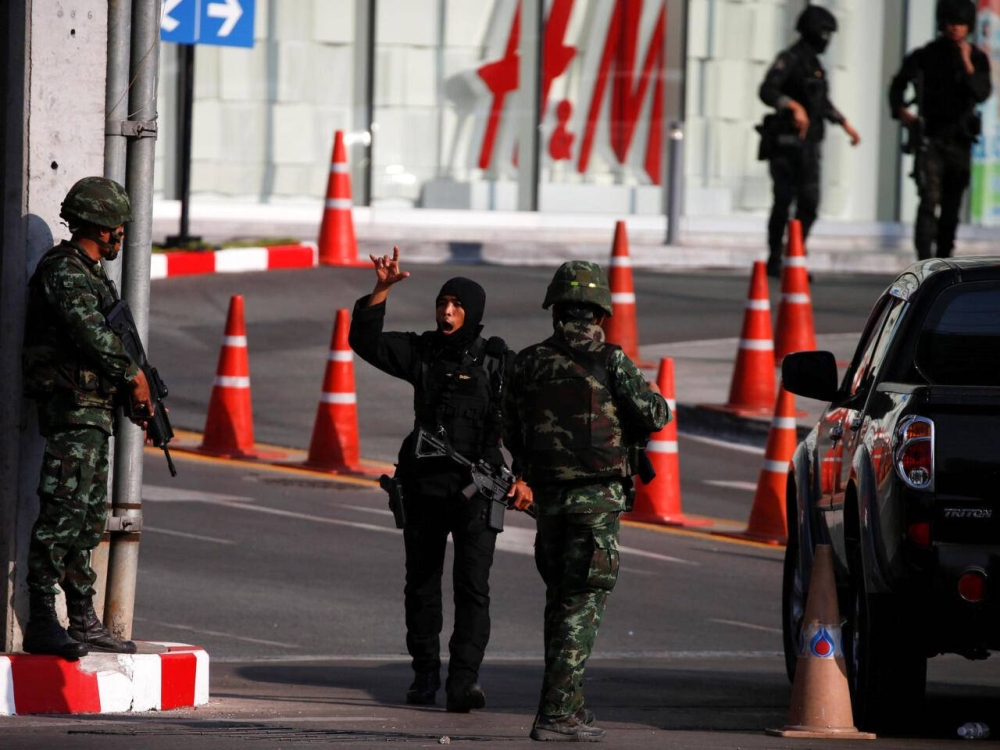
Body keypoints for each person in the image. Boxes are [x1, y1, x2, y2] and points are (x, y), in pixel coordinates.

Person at [348, 247, 527, 712]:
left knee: (473, 588)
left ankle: (464, 680)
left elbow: (523, 425)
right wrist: (381, 289)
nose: (447, 312)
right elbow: (365, 342)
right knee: (422, 584)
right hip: (425, 488)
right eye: (441, 303)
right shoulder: (422, 351)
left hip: (479, 493)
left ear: (474, 312)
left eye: (457, 305)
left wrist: (524, 477)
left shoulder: (497, 363)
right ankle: (425, 674)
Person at [503, 261, 669, 742]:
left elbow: (511, 425)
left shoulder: (529, 362)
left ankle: (568, 706)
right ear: (600, 312)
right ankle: (556, 713)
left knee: (561, 602)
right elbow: (655, 416)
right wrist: (653, 396)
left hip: (549, 502)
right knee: (581, 604)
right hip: (595, 503)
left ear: (555, 309)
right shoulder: (612, 360)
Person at [21, 176, 153, 658]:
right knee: (61, 512)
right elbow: (91, 334)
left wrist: (133, 388)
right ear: (101, 227)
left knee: (87, 517)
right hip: (71, 410)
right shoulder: (65, 270)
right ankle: (40, 619)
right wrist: (132, 375)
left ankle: (82, 618)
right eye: (117, 225)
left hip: (93, 412)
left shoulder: (93, 272)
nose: (122, 233)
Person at [758, 5, 861, 278]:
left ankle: (794, 255)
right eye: (825, 33)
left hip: (809, 145)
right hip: (785, 143)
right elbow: (767, 90)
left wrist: (843, 122)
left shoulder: (815, 64)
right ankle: (775, 258)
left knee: (810, 202)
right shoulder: (790, 58)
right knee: (783, 200)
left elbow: (821, 102)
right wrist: (791, 105)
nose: (827, 39)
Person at [889, 0, 992, 260]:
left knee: (951, 205)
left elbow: (981, 92)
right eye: (950, 23)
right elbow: (897, 87)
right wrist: (903, 113)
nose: (955, 29)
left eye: (960, 24)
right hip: (931, 137)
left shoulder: (977, 58)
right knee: (928, 200)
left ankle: (944, 258)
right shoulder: (925, 56)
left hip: (960, 140)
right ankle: (924, 259)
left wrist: (967, 62)